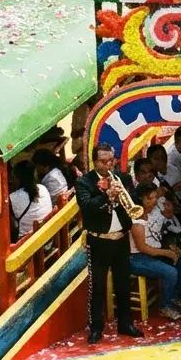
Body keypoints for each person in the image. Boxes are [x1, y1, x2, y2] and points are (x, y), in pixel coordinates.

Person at [76, 143, 143, 342]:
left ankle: (126, 324)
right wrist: (107, 196)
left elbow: (135, 200)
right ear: (95, 162)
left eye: (111, 161)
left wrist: (123, 194)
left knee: (123, 283)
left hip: (121, 238)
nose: (108, 166)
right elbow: (87, 208)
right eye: (103, 162)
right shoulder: (84, 182)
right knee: (97, 286)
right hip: (98, 241)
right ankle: (96, 328)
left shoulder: (123, 178)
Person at [128, 183, 181, 321]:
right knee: (170, 272)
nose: (154, 201)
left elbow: (163, 227)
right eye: (150, 198)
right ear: (141, 199)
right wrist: (167, 253)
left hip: (155, 250)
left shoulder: (154, 212)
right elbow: (143, 248)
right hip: (137, 258)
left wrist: (170, 246)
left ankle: (173, 297)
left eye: (155, 198)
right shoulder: (136, 221)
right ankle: (165, 306)